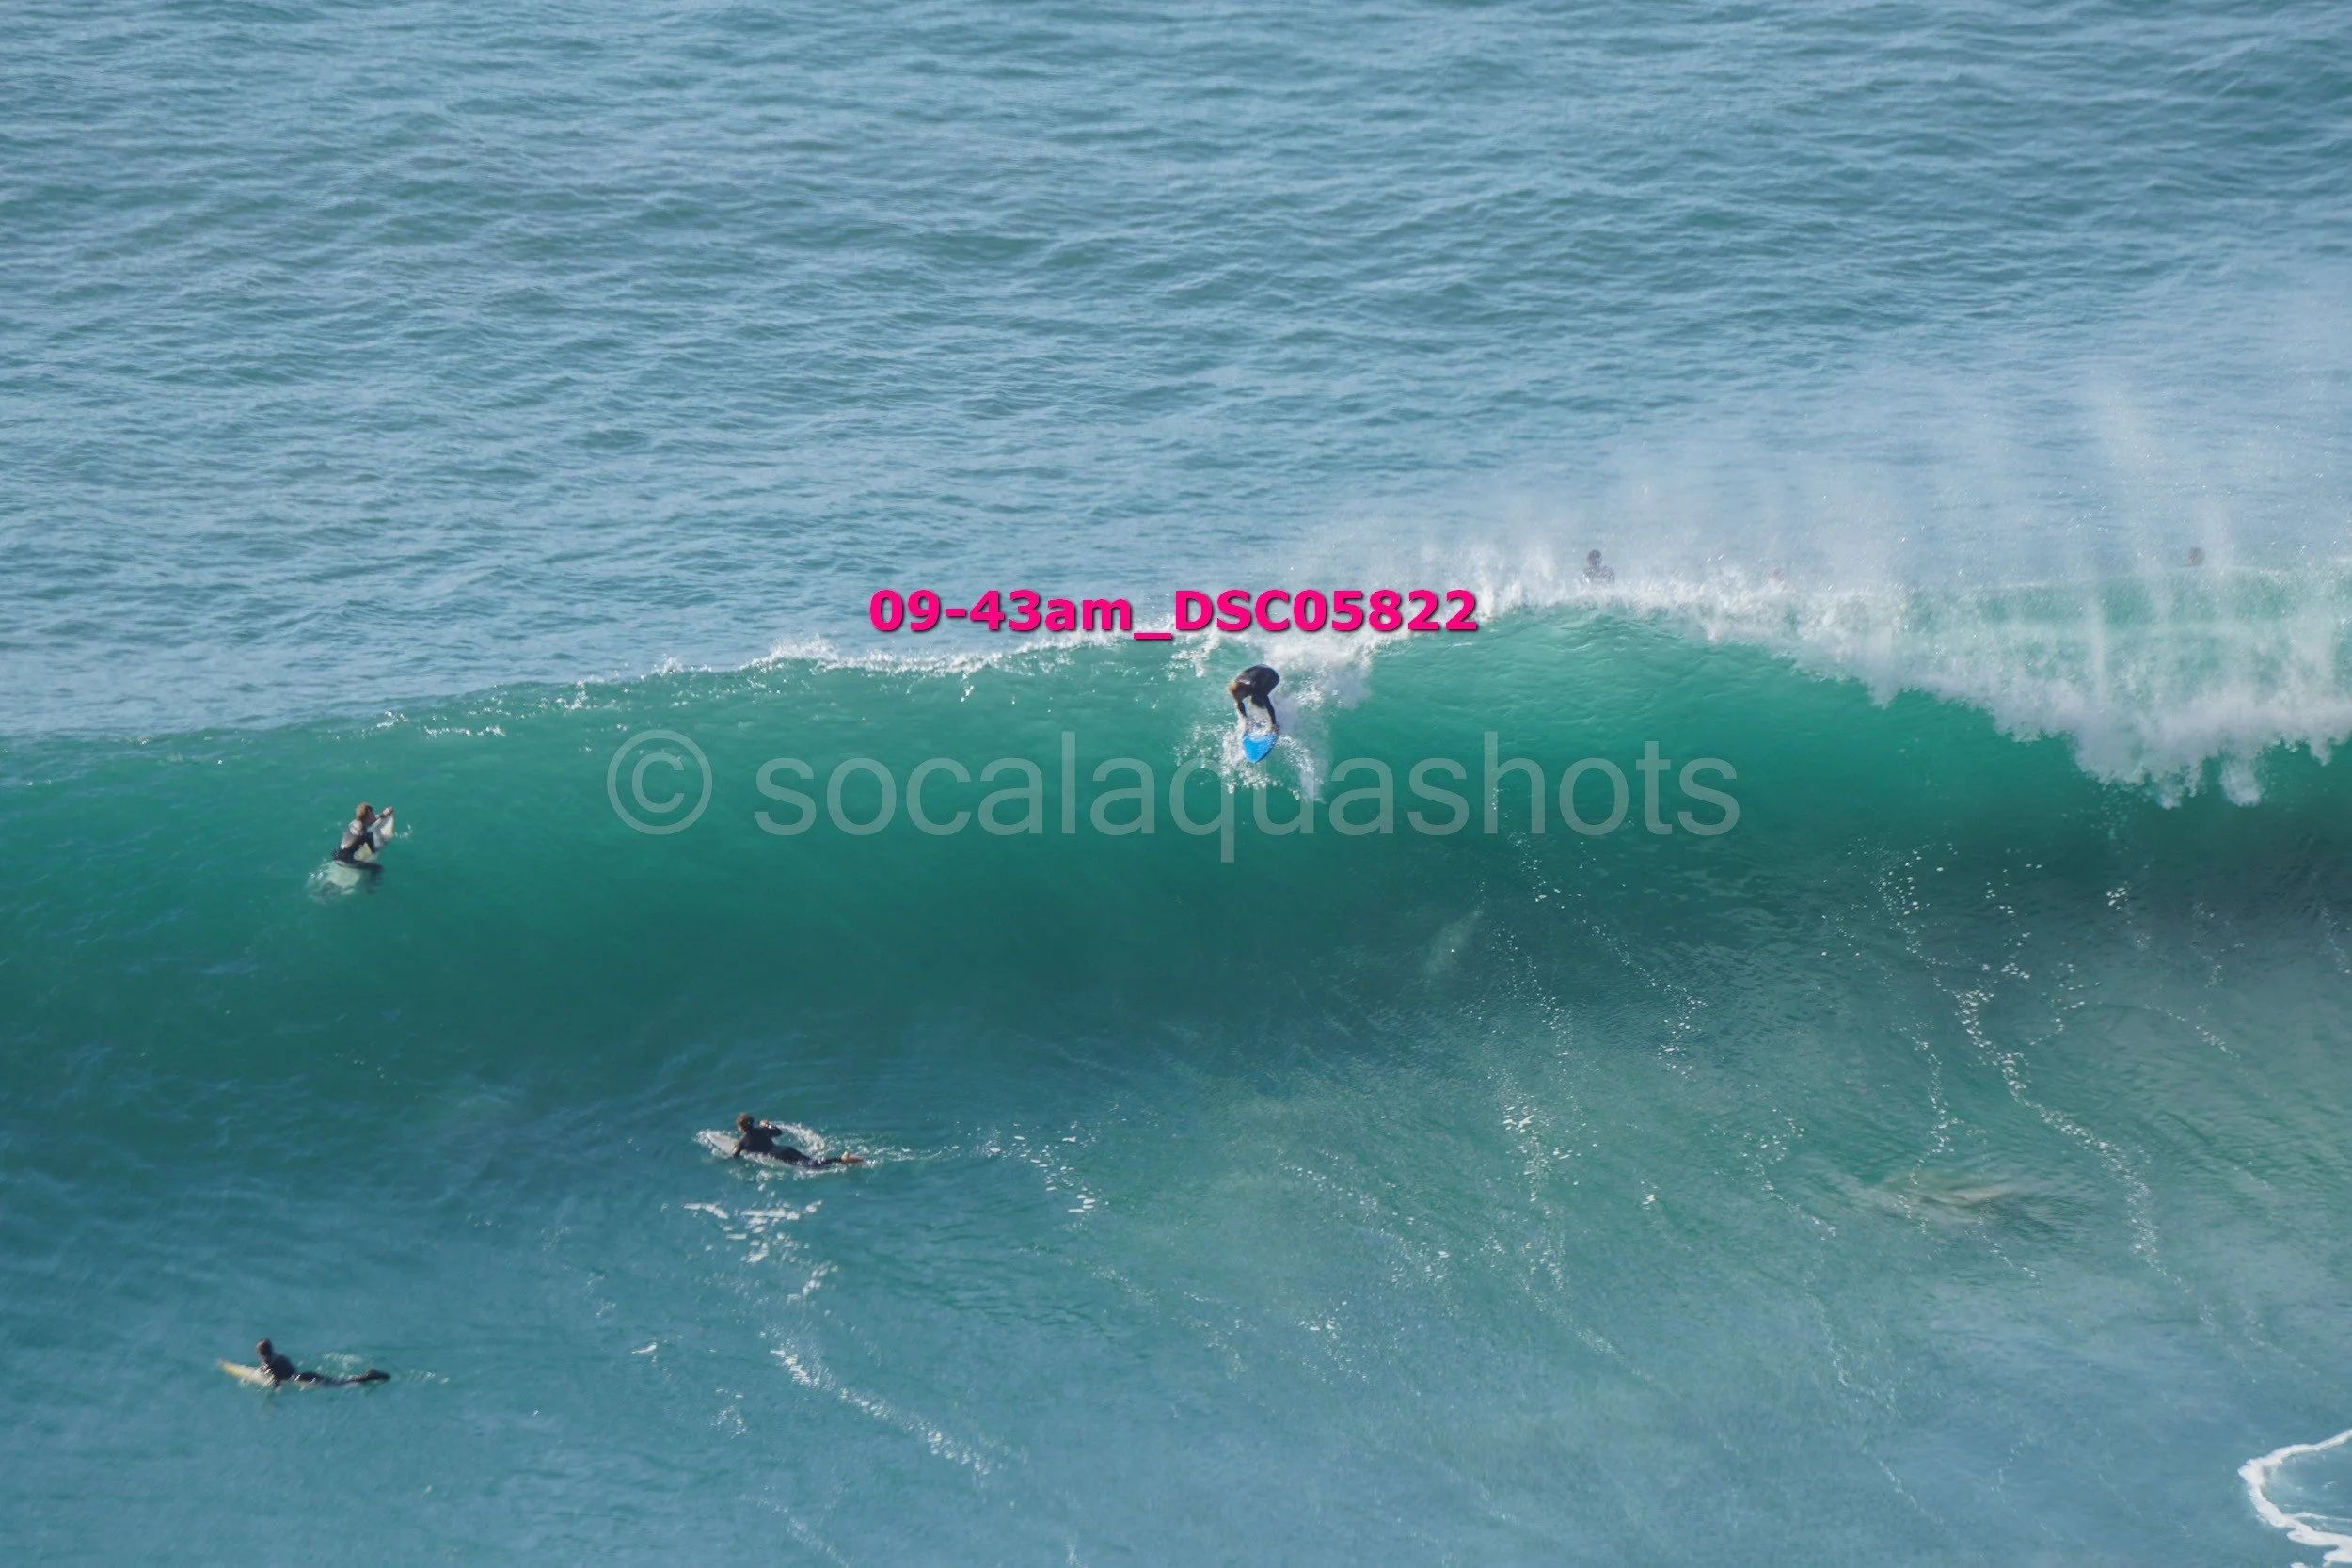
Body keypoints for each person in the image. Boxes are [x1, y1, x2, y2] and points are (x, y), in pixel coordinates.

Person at [730, 1114, 865, 1167]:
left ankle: (841, 1160)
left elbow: (734, 1156)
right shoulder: (762, 1129)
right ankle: (843, 1160)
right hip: (785, 1148)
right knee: (810, 1160)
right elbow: (778, 1132)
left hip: (777, 1155)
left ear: (741, 1127)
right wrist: (767, 1125)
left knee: (810, 1165)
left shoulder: (742, 1142)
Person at [254, 1338, 389, 1387]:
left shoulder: (267, 1364)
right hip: (304, 1375)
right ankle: (367, 1376)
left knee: (339, 1384)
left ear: (260, 1353)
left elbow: (274, 1379)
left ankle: (368, 1376)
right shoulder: (281, 1357)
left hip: (302, 1380)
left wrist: (275, 1389)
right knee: (337, 1381)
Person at [336, 802, 394, 869]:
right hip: (348, 861)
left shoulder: (354, 823)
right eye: (372, 814)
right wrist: (384, 843)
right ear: (368, 816)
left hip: (337, 854)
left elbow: (371, 820)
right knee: (377, 868)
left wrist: (384, 814)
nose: (374, 815)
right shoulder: (366, 834)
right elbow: (374, 850)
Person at [1228, 665, 1280, 734]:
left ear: (1243, 691)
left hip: (1272, 676)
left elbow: (1269, 706)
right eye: (1234, 696)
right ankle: (1249, 722)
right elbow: (1239, 703)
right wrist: (1245, 721)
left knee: (1257, 701)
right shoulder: (1237, 683)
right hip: (1261, 668)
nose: (1236, 698)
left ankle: (1273, 722)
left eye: (1238, 696)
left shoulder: (1257, 690)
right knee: (1248, 700)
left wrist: (1274, 724)